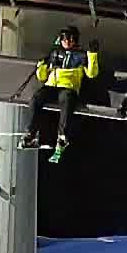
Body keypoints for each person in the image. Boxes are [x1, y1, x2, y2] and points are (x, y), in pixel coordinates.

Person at [29, 24, 98, 163]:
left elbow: (92, 73)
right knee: (37, 98)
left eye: (70, 38)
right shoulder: (55, 53)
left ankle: (62, 136)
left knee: (66, 100)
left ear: (75, 40)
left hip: (68, 86)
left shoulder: (80, 55)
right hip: (51, 85)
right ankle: (31, 132)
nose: (67, 41)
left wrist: (92, 55)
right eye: (64, 38)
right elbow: (42, 77)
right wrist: (41, 66)